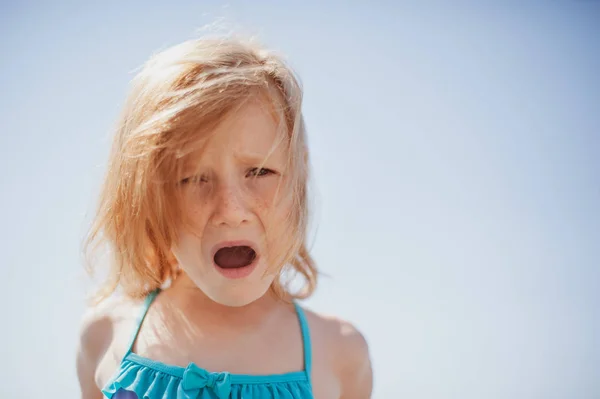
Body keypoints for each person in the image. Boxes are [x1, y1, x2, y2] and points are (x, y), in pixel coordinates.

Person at [76, 35, 373, 399]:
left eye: (260, 172)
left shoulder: (342, 355)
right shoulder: (105, 337)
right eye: (193, 179)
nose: (231, 211)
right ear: (148, 196)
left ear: (298, 177)